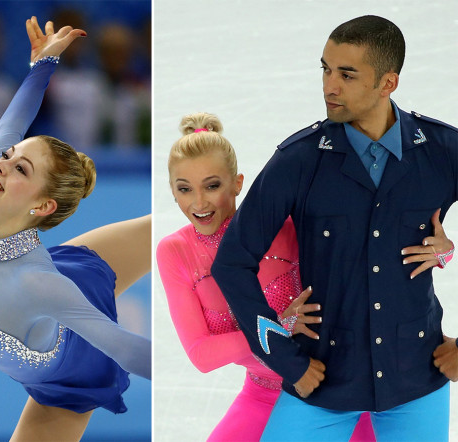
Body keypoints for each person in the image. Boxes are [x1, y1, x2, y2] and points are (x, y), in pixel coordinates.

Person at [211, 15, 458, 441]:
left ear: (388, 83)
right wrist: (286, 359)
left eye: (347, 74)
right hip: (322, 380)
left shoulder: (444, 152)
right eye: (325, 69)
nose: (330, 85)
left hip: (417, 377)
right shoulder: (298, 161)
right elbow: (232, 262)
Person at [0, 17, 151, 441]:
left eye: (20, 168)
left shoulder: (40, 284)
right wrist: (44, 64)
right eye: (8, 156)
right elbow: (8, 128)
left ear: (42, 205)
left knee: (181, 225)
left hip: (75, 365)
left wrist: (223, 361)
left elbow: (126, 349)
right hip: (74, 285)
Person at [157, 112, 382, 441]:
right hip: (262, 394)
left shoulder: (284, 227)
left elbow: (364, 269)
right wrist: (278, 326)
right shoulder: (175, 251)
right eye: (185, 189)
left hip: (330, 390)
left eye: (212, 186)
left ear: (237, 183)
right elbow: (202, 356)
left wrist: (441, 254)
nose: (199, 202)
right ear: (173, 192)